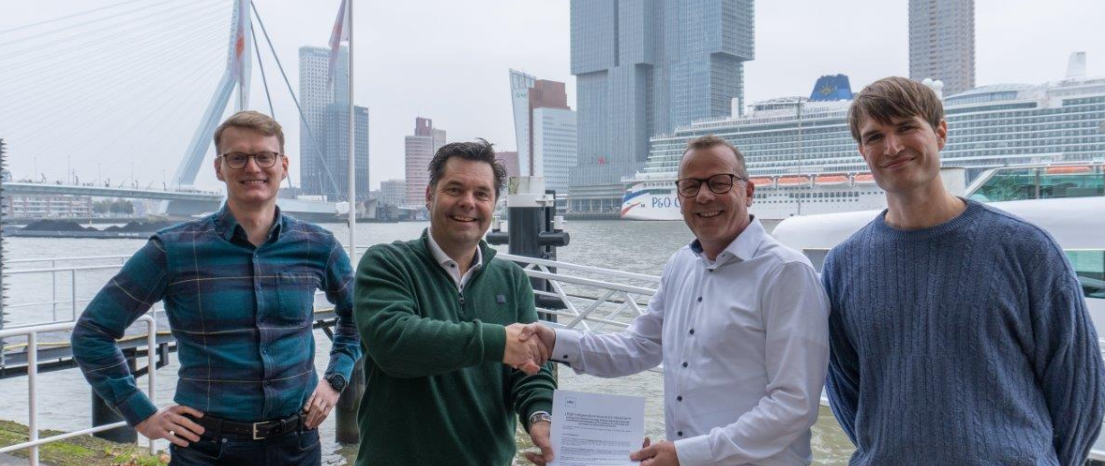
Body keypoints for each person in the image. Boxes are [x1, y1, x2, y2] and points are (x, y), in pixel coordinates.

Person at [822, 76, 1105, 465]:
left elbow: (1080, 389)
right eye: (875, 137)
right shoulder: (842, 265)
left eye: (906, 127)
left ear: (940, 133)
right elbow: (846, 389)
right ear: (862, 151)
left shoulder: (1025, 249)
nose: (892, 147)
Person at [71, 110, 360, 465]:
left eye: (264, 156)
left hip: (296, 446)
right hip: (207, 450)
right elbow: (91, 333)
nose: (252, 167)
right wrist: (142, 415)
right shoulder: (173, 250)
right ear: (219, 168)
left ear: (283, 166)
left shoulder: (318, 245)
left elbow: (357, 315)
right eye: (237, 157)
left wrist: (335, 380)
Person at [521, 135, 830, 465]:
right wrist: (556, 342)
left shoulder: (786, 273)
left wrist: (688, 455)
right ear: (679, 196)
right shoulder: (681, 264)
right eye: (691, 186)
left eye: (719, 182)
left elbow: (794, 404)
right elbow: (639, 346)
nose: (704, 196)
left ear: (749, 192)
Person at [353, 139, 556, 466]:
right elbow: (394, 343)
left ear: (495, 204)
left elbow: (532, 368)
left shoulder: (512, 279)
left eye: (482, 194)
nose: (468, 202)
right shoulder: (387, 263)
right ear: (429, 195)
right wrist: (498, 341)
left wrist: (540, 416)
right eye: (455, 189)